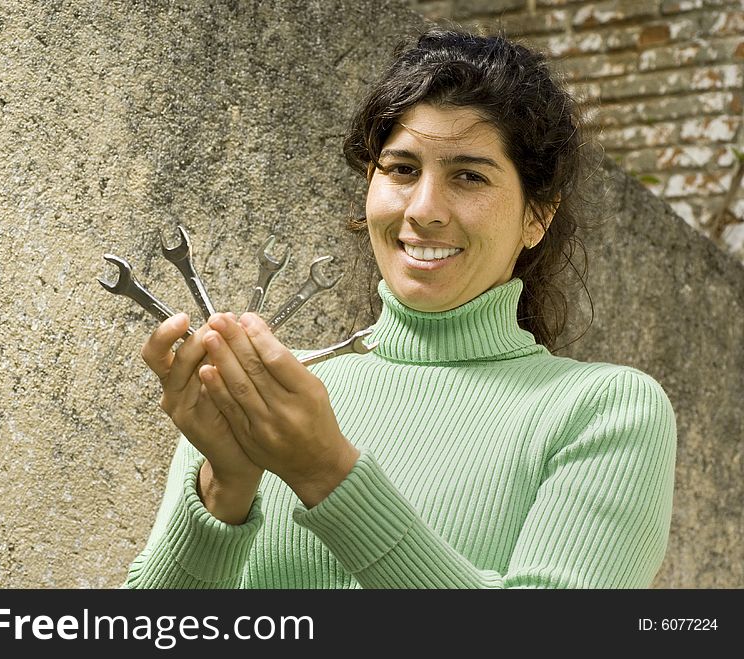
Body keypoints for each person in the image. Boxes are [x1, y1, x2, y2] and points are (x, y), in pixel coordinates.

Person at [123, 27, 677, 589]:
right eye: (402, 170)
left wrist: (327, 472)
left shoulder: (603, 410)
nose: (424, 209)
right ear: (370, 186)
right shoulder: (260, 394)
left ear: (537, 216)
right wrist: (225, 487)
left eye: (468, 176)